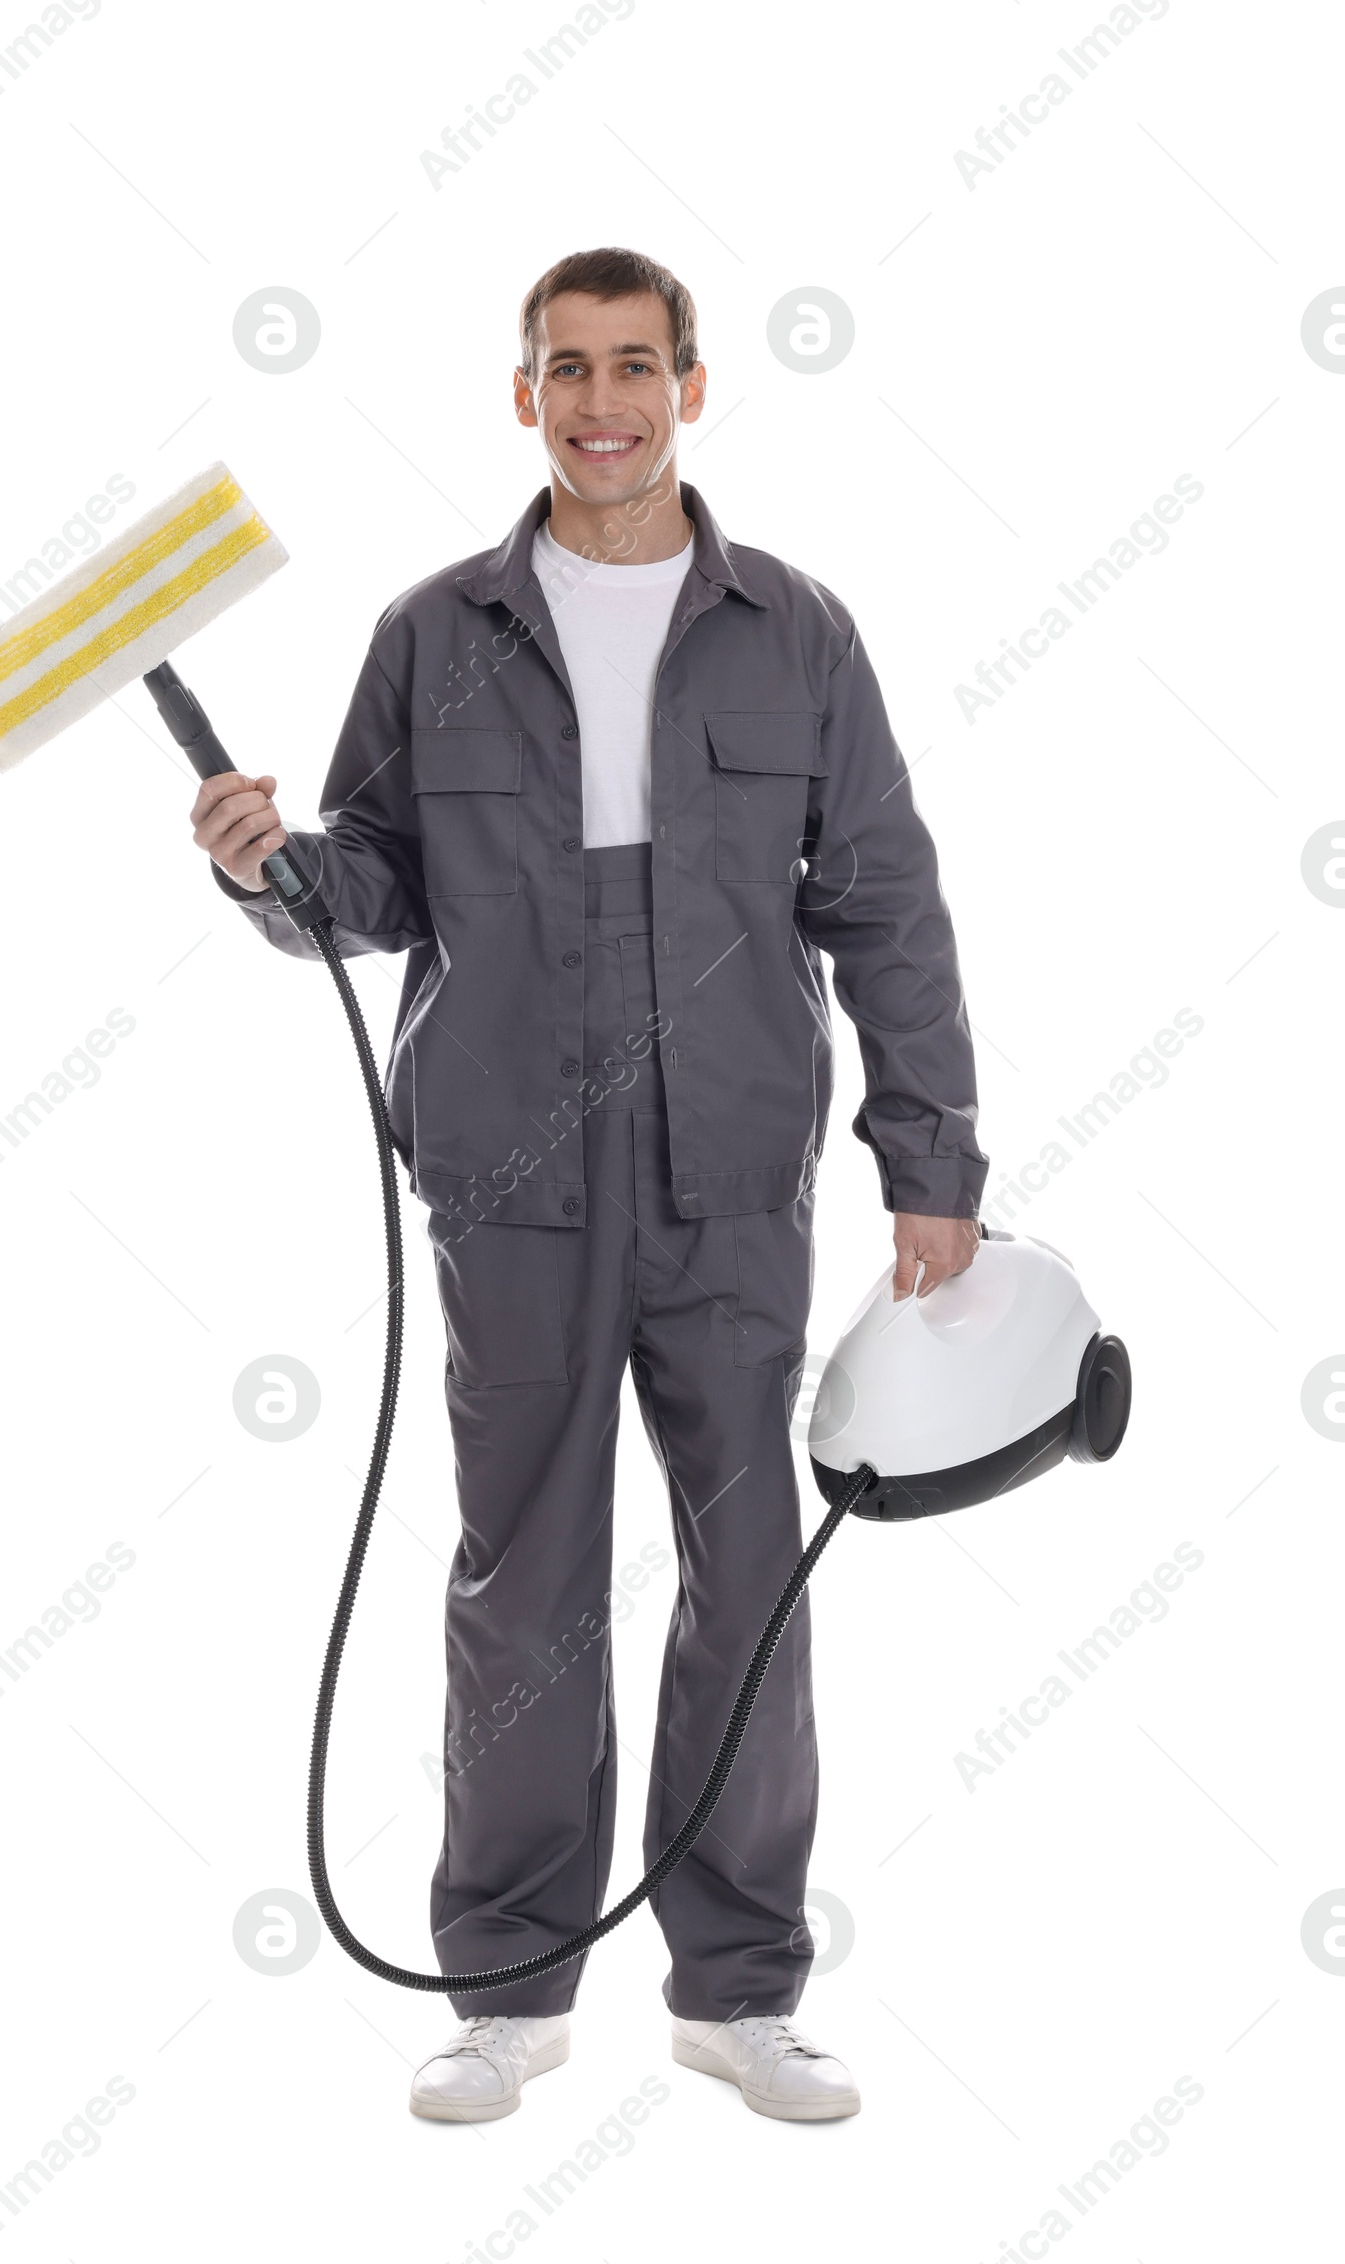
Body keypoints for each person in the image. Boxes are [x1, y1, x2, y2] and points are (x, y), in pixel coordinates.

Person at [191, 247, 988, 2124]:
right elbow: (369, 888)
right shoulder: (434, 628)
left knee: (749, 1573)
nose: (602, 401)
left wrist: (930, 1163)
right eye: (568, 369)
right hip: (516, 1176)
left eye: (637, 366)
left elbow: (883, 902)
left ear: (696, 388)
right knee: (524, 1576)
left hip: (730, 1170)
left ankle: (736, 1990)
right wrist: (263, 865)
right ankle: (509, 1996)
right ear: (523, 395)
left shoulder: (794, 629)